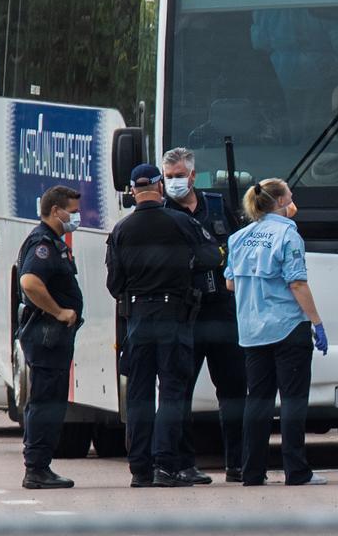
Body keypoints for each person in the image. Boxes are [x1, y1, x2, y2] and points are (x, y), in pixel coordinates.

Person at [105, 164, 223, 488]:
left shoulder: (121, 230)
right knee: (171, 393)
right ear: (159, 187)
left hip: (138, 320)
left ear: (132, 190)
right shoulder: (182, 222)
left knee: (139, 395)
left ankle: (139, 469)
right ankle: (165, 465)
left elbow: (114, 284)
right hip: (174, 319)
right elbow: (213, 257)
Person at [225, 178, 328, 487]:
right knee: (293, 400)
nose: (293, 202)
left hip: (252, 329)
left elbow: (230, 283)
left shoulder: (239, 237)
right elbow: (297, 282)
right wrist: (317, 322)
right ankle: (296, 471)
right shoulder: (288, 234)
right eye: (291, 197)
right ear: (281, 202)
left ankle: (252, 471)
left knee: (257, 401)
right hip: (287, 327)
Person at [161, 147, 245, 485]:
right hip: (186, 313)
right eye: (169, 177)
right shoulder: (162, 212)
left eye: (180, 176)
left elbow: (238, 244)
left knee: (235, 390)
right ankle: (184, 463)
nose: (175, 182)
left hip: (222, 310)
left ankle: (239, 462)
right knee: (179, 392)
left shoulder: (215, 205)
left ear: (193, 176)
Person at [16, 185, 84, 489]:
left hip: (53, 339)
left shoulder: (53, 242)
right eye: (73, 209)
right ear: (56, 210)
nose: (77, 216)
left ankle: (41, 466)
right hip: (46, 335)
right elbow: (30, 281)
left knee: (50, 402)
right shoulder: (42, 243)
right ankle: (36, 468)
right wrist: (58, 312)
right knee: (45, 402)